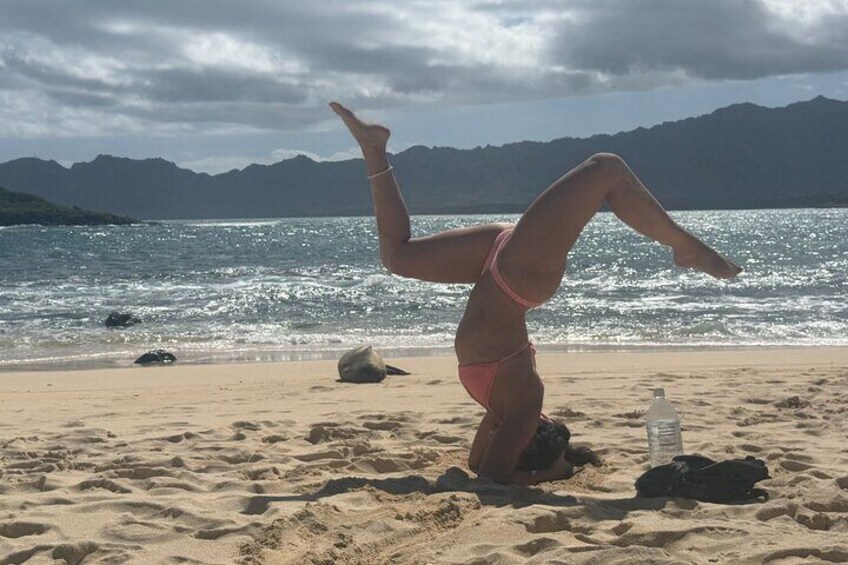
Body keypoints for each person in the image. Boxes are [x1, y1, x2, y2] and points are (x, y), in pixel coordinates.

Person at [330, 102, 741, 485]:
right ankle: (685, 245)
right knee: (606, 168)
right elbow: (490, 474)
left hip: (494, 266)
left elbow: (479, 467)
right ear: (526, 440)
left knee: (397, 256)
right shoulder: (526, 403)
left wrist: (538, 473)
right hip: (517, 277)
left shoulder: (505, 411)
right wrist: (545, 474)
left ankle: (374, 149)